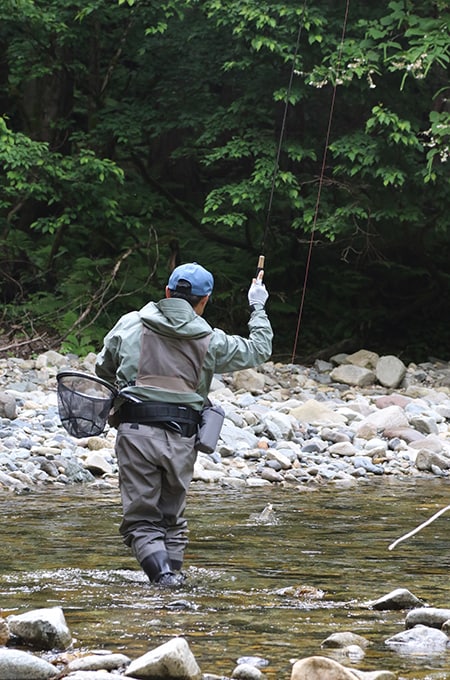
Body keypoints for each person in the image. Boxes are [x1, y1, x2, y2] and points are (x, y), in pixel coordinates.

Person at [95, 262, 273, 587]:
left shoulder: (130, 324)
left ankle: (164, 581)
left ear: (166, 292)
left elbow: (102, 368)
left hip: (135, 434)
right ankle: (172, 589)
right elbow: (260, 349)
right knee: (172, 520)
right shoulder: (211, 339)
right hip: (182, 439)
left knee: (141, 521)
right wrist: (257, 305)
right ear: (204, 301)